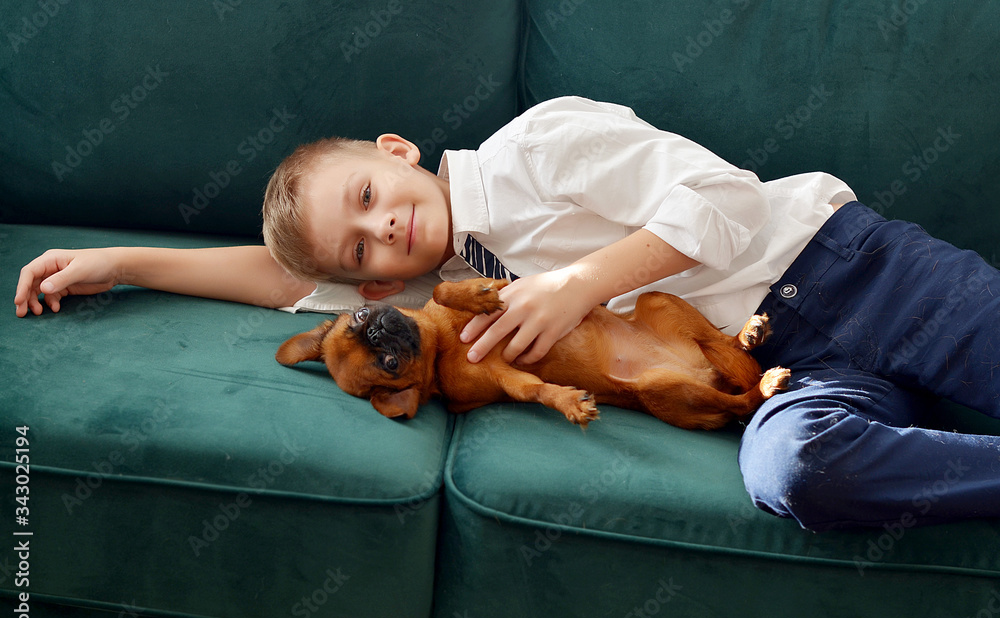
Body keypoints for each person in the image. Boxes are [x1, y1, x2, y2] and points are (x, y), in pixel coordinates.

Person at [14, 96, 1000, 531]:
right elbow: (280, 283)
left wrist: (578, 282)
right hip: (790, 374)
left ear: (394, 151)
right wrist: (124, 260)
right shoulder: (425, 292)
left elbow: (725, 196)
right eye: (360, 252)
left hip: (840, 269)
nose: (384, 230)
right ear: (364, 287)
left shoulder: (539, 144)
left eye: (367, 195)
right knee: (797, 471)